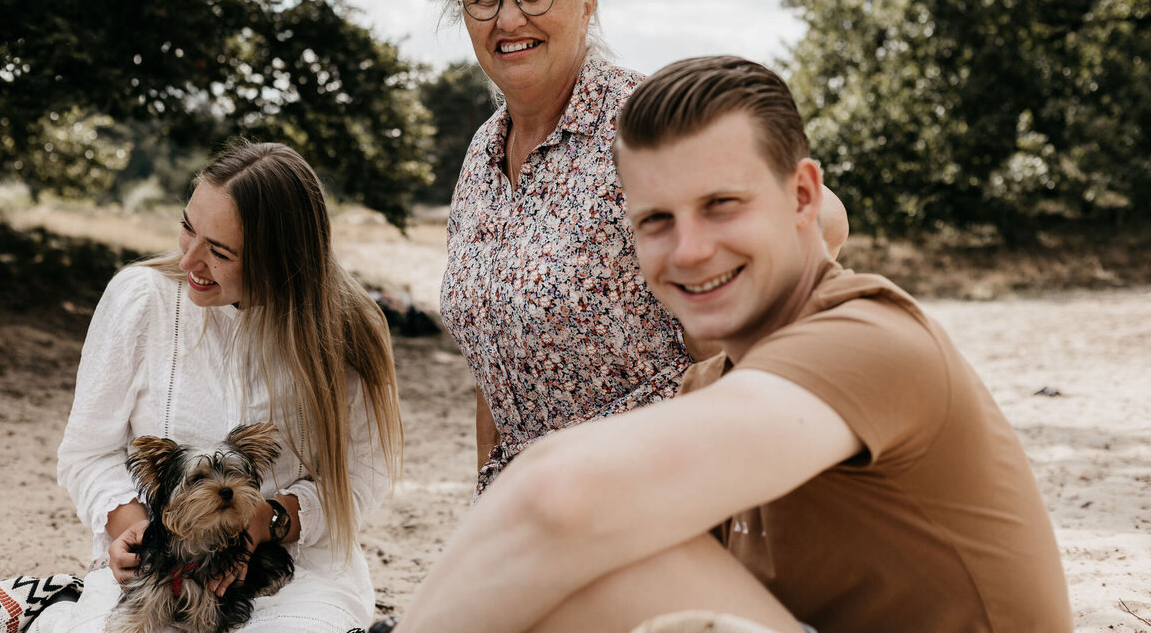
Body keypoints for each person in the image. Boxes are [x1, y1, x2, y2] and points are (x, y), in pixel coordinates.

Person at [394, 56, 1073, 633]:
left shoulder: (870, 340)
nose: (689, 250)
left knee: (593, 545)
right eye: (655, 220)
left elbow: (553, 498)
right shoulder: (713, 383)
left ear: (803, 195)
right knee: (590, 570)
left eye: (722, 205)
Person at [440, 0, 848, 495]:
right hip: (533, 495)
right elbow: (492, 365)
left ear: (587, 7)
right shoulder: (481, 152)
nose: (509, 19)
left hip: (653, 482)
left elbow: (824, 218)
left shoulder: (643, 120)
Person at [31, 140, 403, 633]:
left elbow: (359, 482)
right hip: (156, 577)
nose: (189, 262)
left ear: (281, 263)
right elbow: (87, 454)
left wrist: (269, 519)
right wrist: (132, 532)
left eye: (220, 252)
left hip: (295, 575)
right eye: (189, 228)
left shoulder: (347, 329)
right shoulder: (140, 298)